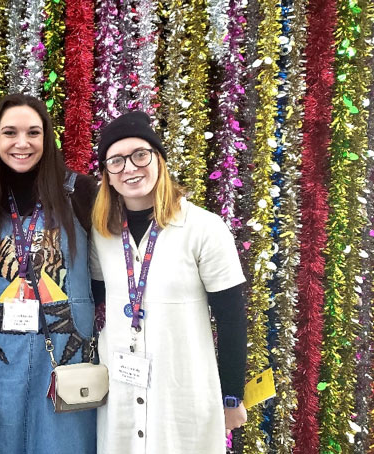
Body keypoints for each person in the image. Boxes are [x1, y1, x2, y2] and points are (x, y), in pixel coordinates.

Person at [90, 111, 248, 453]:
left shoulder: (204, 228)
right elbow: (93, 297)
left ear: (158, 160)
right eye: (116, 161)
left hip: (182, 396)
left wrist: (232, 395)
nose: (130, 168)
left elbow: (232, 319)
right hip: (119, 396)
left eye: (140, 155)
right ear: (107, 176)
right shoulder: (102, 234)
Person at [0, 93, 98, 454]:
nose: (22, 143)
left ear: (48, 137)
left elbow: (104, 277)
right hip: (1, 360)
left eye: (33, 132)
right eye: (10, 132)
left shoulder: (81, 193)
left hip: (67, 356)